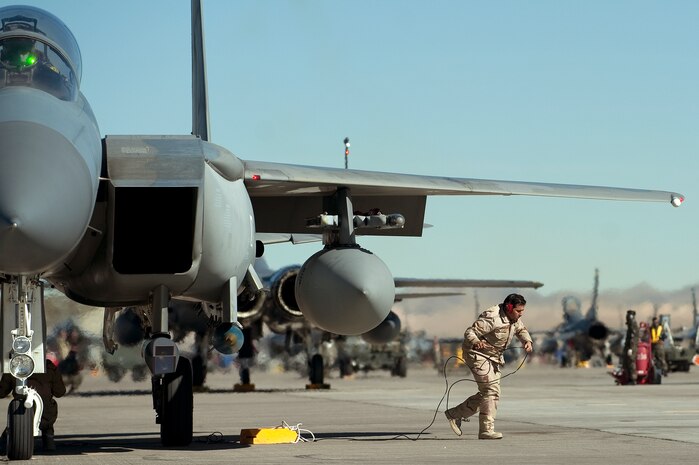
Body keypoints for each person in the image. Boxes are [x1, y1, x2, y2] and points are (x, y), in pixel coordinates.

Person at [445, 293, 533, 440]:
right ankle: (486, 430)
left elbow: (521, 329)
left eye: (522, 311)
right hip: (477, 354)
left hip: (494, 358)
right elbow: (470, 332)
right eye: (518, 311)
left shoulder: (514, 318)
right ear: (509, 307)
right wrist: (476, 341)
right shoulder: (493, 318)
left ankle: (455, 414)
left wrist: (527, 341)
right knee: (491, 391)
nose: (521, 314)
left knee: (488, 394)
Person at [0, 359, 67, 451]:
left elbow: (2, 392)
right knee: (49, 407)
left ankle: (4, 440)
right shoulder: (49, 367)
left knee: (14, 418)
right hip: (46, 416)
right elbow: (60, 392)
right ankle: (48, 438)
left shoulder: (13, 366)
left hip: (19, 414)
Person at [622, 310, 639, 385]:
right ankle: (628, 378)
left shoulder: (633, 325)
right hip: (628, 346)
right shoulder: (630, 325)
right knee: (626, 363)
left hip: (632, 346)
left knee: (631, 362)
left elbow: (633, 337)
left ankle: (633, 379)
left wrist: (631, 348)